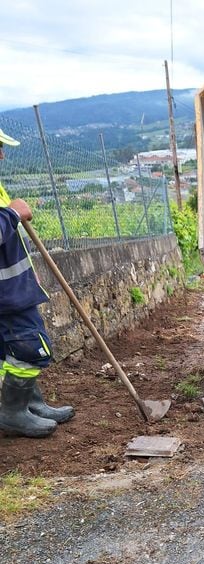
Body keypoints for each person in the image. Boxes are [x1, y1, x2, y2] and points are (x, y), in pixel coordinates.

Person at [0, 127, 74, 437]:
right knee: (31, 347)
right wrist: (13, 213)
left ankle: (30, 403)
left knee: (12, 350)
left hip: (11, 288)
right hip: (6, 294)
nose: (2, 154)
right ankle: (13, 412)